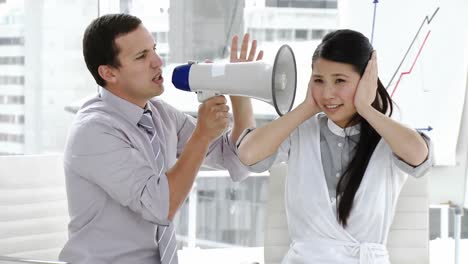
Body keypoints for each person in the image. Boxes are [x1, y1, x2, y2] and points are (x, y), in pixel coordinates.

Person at [59, 13, 262, 264]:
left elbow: (237, 160)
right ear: (109, 73)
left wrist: (240, 91)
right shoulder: (94, 131)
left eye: (153, 49)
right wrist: (201, 136)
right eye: (142, 56)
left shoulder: (160, 113)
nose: (158, 61)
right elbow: (160, 207)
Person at [236, 29, 433, 263]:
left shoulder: (388, 135)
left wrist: (366, 108)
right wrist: (307, 107)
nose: (328, 93)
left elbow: (420, 156)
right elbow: (248, 154)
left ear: (366, 81)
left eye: (340, 80)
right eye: (319, 80)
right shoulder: (301, 130)